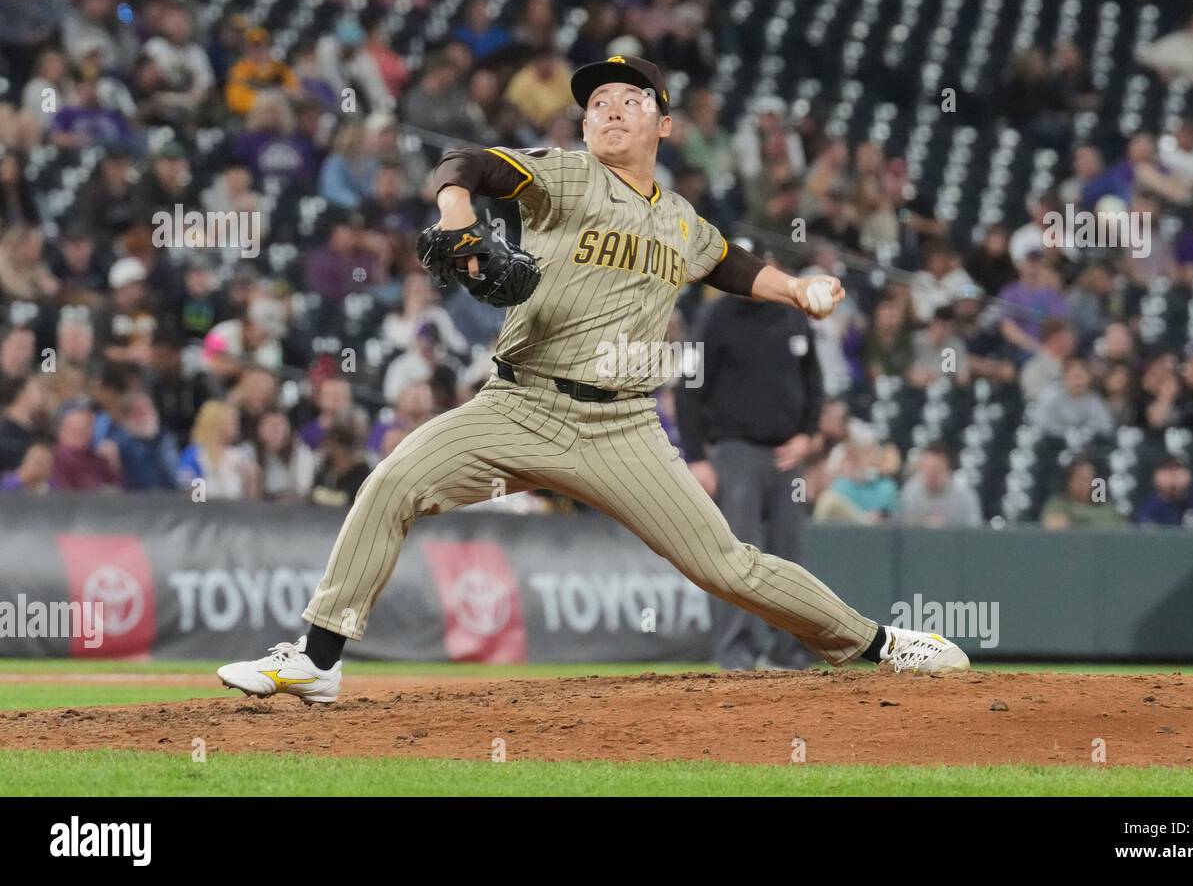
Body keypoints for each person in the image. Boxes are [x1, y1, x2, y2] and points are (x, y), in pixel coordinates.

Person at [217, 55, 969, 703]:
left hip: (622, 427)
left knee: (728, 566)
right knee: (389, 484)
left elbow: (728, 263)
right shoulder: (568, 179)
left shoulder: (680, 219)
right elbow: (467, 165)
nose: (609, 111)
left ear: (663, 125)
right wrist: (456, 213)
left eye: (629, 102)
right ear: (581, 128)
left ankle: (876, 646)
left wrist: (798, 291)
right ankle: (317, 660)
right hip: (517, 404)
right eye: (597, 105)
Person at [676, 265, 825, 671]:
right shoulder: (716, 317)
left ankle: (789, 652)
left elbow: (814, 381)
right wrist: (698, 457)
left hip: (787, 455)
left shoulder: (793, 316)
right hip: (735, 451)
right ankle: (735, 652)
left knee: (789, 555)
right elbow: (688, 388)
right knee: (735, 556)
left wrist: (809, 436)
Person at [898, 442, 982, 528]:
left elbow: (974, 531)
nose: (930, 474)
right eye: (925, 468)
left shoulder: (964, 495)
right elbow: (904, 528)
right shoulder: (911, 492)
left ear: (948, 470)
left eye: (936, 469)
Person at [1041, 458, 1124, 529]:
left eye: (1088, 478)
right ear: (1069, 480)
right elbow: (1052, 524)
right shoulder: (1057, 504)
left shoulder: (1106, 509)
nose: (1084, 483)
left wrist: (1073, 521)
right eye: (1080, 478)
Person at [1132, 456, 1193, 528]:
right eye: (1167, 469)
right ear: (1155, 476)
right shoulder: (1145, 507)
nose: (1173, 475)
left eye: (1178, 468)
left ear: (1190, 474)